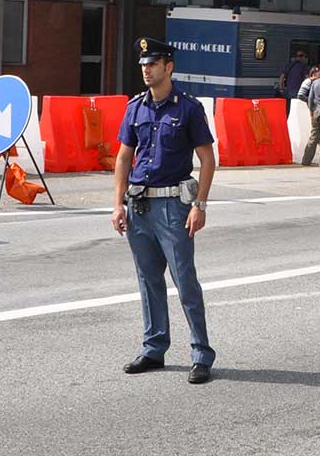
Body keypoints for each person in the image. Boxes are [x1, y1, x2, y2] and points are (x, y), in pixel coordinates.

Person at [112, 36, 217, 384]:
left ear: (168, 66)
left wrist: (199, 205)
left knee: (185, 281)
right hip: (139, 205)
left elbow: (206, 159)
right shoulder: (135, 108)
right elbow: (124, 157)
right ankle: (154, 347)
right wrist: (117, 204)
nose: (146, 70)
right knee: (148, 280)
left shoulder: (187, 108)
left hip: (174, 205)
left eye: (152, 64)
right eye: (142, 64)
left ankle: (201, 354)